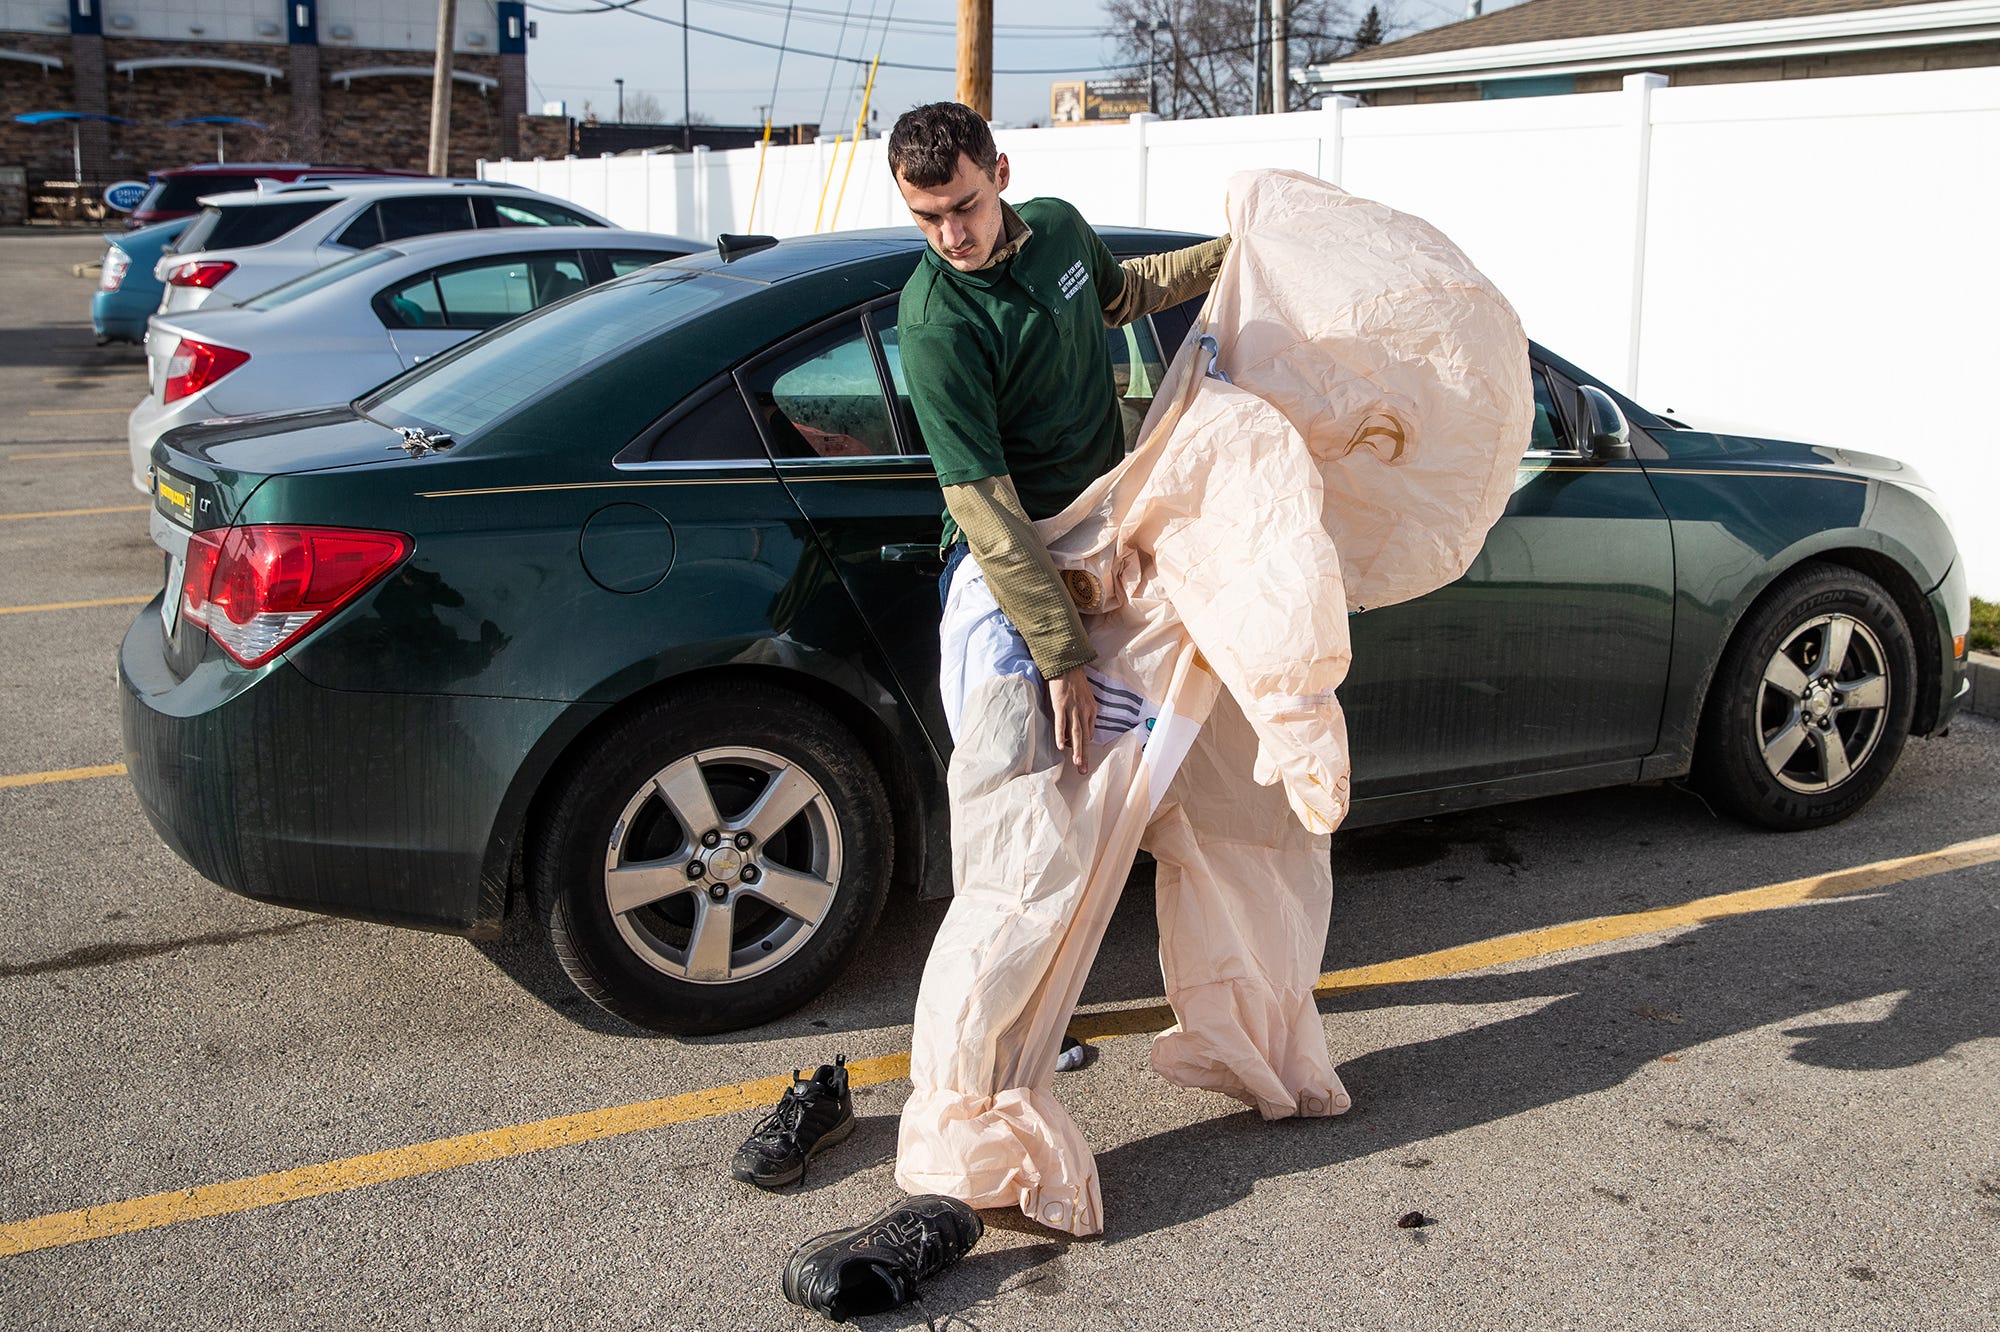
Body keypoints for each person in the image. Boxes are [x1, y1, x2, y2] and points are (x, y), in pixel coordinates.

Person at [886, 101, 1233, 1232]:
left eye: (965, 208)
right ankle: (967, 1103)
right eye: (927, 219)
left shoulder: (1060, 230)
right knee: (1019, 850)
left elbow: (1127, 290)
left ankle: (1034, 1038)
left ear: (1002, 174)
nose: (951, 236)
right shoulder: (935, 321)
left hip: (1099, 554)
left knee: (1101, 832)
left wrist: (1239, 256)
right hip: (1007, 595)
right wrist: (1059, 656)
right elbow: (984, 509)